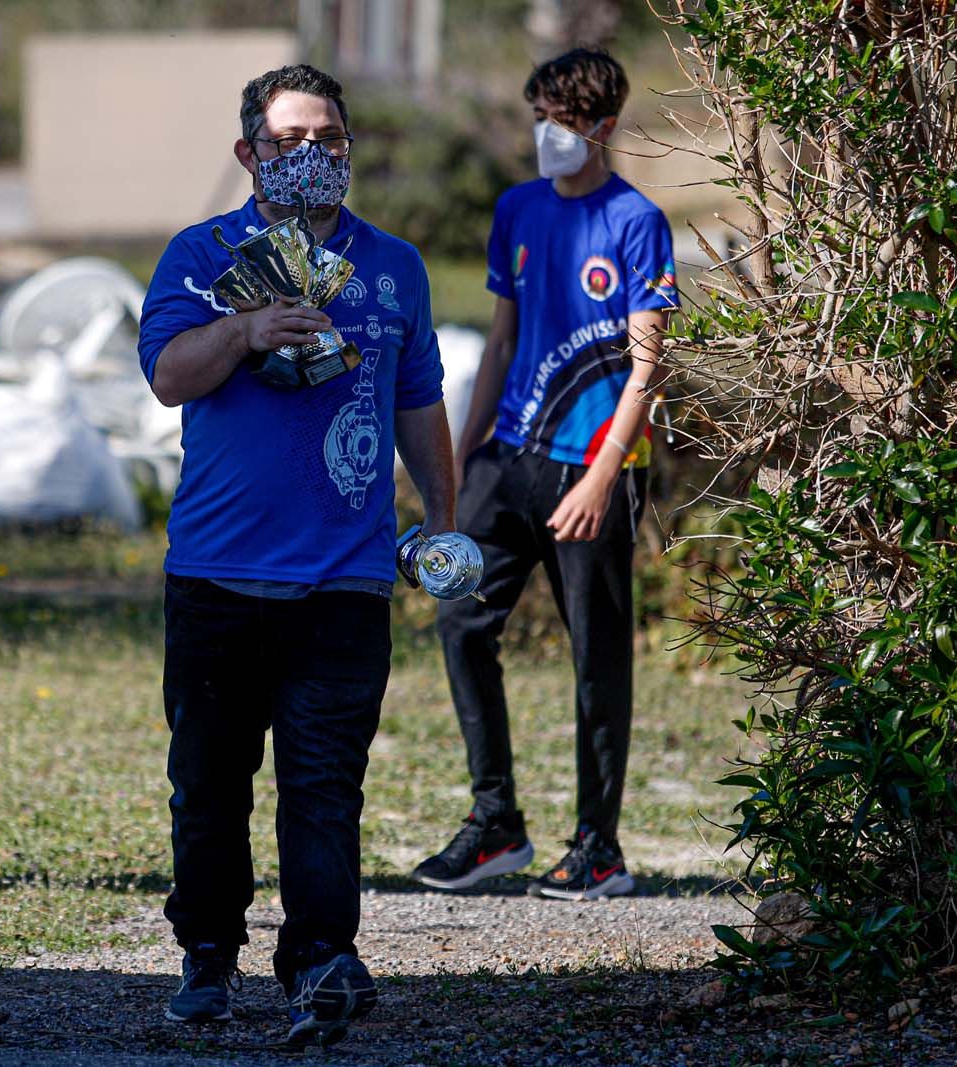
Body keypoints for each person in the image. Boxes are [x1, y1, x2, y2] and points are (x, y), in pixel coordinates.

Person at [137, 64, 455, 1045]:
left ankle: (320, 957)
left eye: (328, 139)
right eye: (288, 143)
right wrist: (241, 328)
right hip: (217, 575)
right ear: (249, 155)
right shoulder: (200, 255)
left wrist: (442, 519)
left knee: (324, 783)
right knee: (211, 781)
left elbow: (417, 403)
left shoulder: (392, 264)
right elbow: (166, 377)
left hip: (345, 578)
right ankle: (206, 955)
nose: (311, 157)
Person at [411, 48, 678, 900]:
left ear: (602, 128)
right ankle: (496, 824)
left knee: (596, 658)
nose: (547, 135)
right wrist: (462, 451)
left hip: (592, 466)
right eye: (539, 116)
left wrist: (604, 478)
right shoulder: (518, 209)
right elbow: (498, 340)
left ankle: (599, 848)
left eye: (562, 121)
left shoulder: (637, 220)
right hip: (509, 456)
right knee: (460, 623)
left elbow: (647, 368)